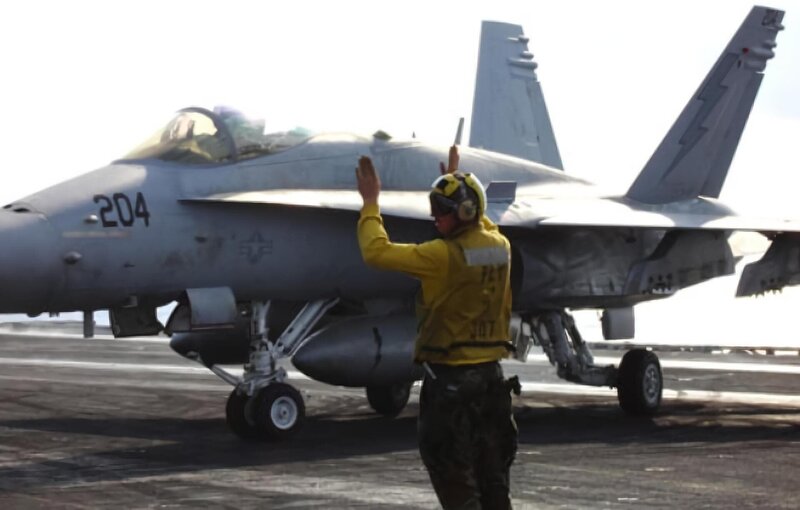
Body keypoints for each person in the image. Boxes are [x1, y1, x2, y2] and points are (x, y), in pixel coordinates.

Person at [355, 146, 518, 509]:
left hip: (451, 389)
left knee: (457, 485)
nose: (435, 218)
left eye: (442, 211)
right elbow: (484, 226)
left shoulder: (441, 255)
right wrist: (459, 180)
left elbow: (376, 252)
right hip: (492, 384)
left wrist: (370, 204)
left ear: (463, 212)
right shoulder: (501, 246)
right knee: (494, 487)